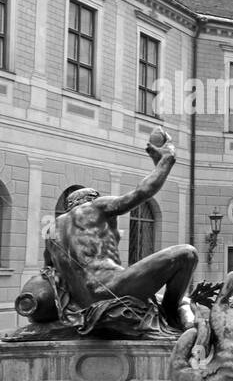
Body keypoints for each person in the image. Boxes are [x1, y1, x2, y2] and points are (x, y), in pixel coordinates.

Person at [46, 130, 197, 334]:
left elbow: (49, 275)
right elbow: (140, 193)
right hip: (113, 288)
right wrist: (167, 160)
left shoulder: (51, 232)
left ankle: (179, 312)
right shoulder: (95, 207)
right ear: (91, 199)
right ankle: (171, 317)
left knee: (184, 301)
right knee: (186, 254)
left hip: (84, 303)